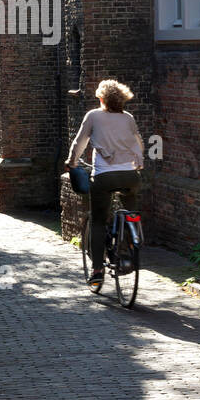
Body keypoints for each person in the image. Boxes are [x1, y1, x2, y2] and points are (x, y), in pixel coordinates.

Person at [66, 79, 144, 292]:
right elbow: (139, 144)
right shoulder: (128, 118)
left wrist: (72, 162)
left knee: (99, 221)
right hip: (130, 176)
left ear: (101, 98)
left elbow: (80, 142)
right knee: (130, 211)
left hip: (105, 176)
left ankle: (97, 271)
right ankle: (129, 250)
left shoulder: (93, 116)